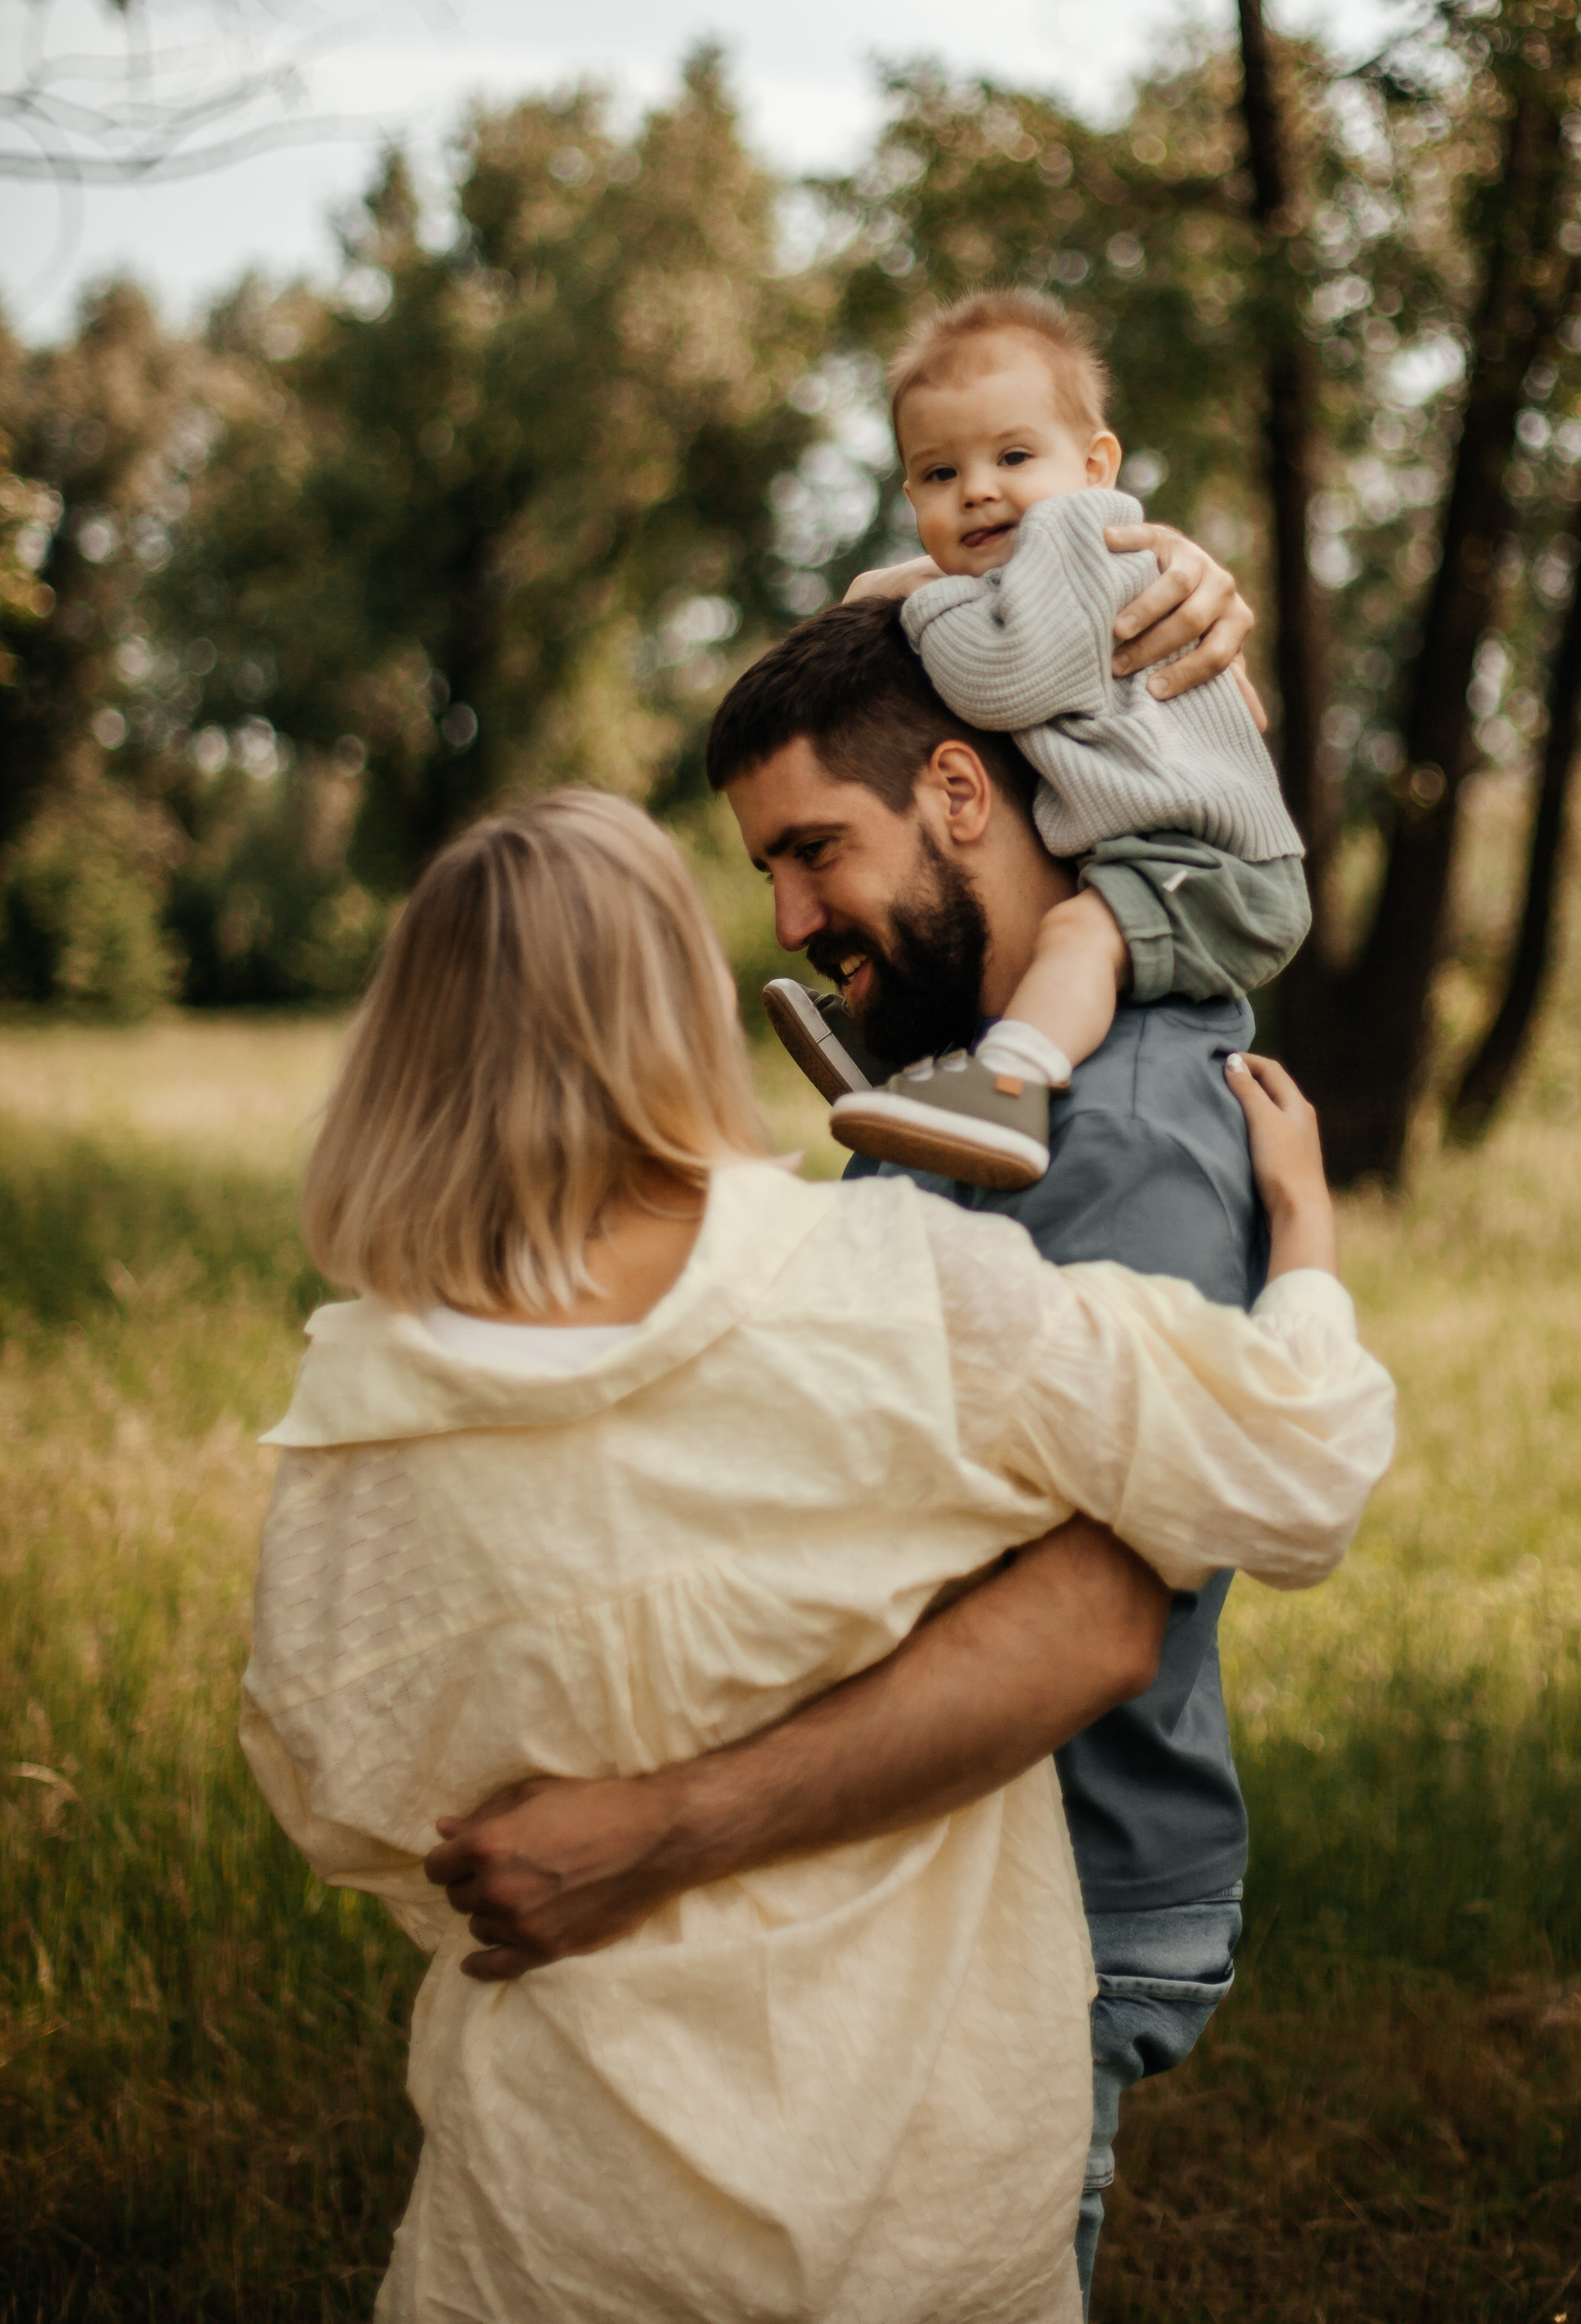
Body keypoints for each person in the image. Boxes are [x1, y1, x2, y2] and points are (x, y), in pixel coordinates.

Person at [245, 787, 1393, 2324]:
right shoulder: (894, 1288)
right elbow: (1295, 1472)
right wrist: (1302, 1239)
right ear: (673, 1004)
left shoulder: (358, 1423)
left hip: (570, 2189)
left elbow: (353, 1810)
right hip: (926, 2171)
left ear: (402, 1046)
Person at [808, 288, 1309, 1188]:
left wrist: (921, 602)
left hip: (1213, 859)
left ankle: (1006, 1086)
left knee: (1076, 934)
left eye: (1011, 455)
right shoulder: (1041, 562)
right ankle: (914, 1061)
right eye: (938, 475)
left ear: (1094, 465)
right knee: (1014, 916)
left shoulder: (1083, 537)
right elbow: (867, 609)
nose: (979, 490)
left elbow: (1003, 680)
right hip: (1151, 843)